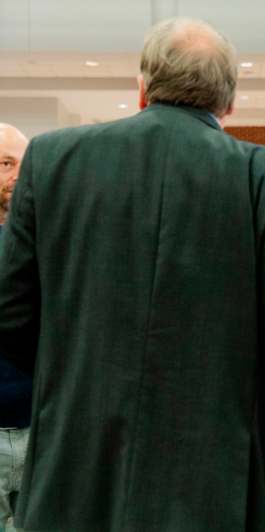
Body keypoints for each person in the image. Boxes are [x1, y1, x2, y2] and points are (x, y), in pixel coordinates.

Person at [0, 18, 265, 532]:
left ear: (142, 90)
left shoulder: (52, 162)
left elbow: (9, 308)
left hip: (74, 478)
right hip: (221, 482)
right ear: (229, 101)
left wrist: (77, 368)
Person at [0, 123, 30, 532]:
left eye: (23, 164)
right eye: (6, 164)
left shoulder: (44, 242)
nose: (17, 176)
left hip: (37, 431)